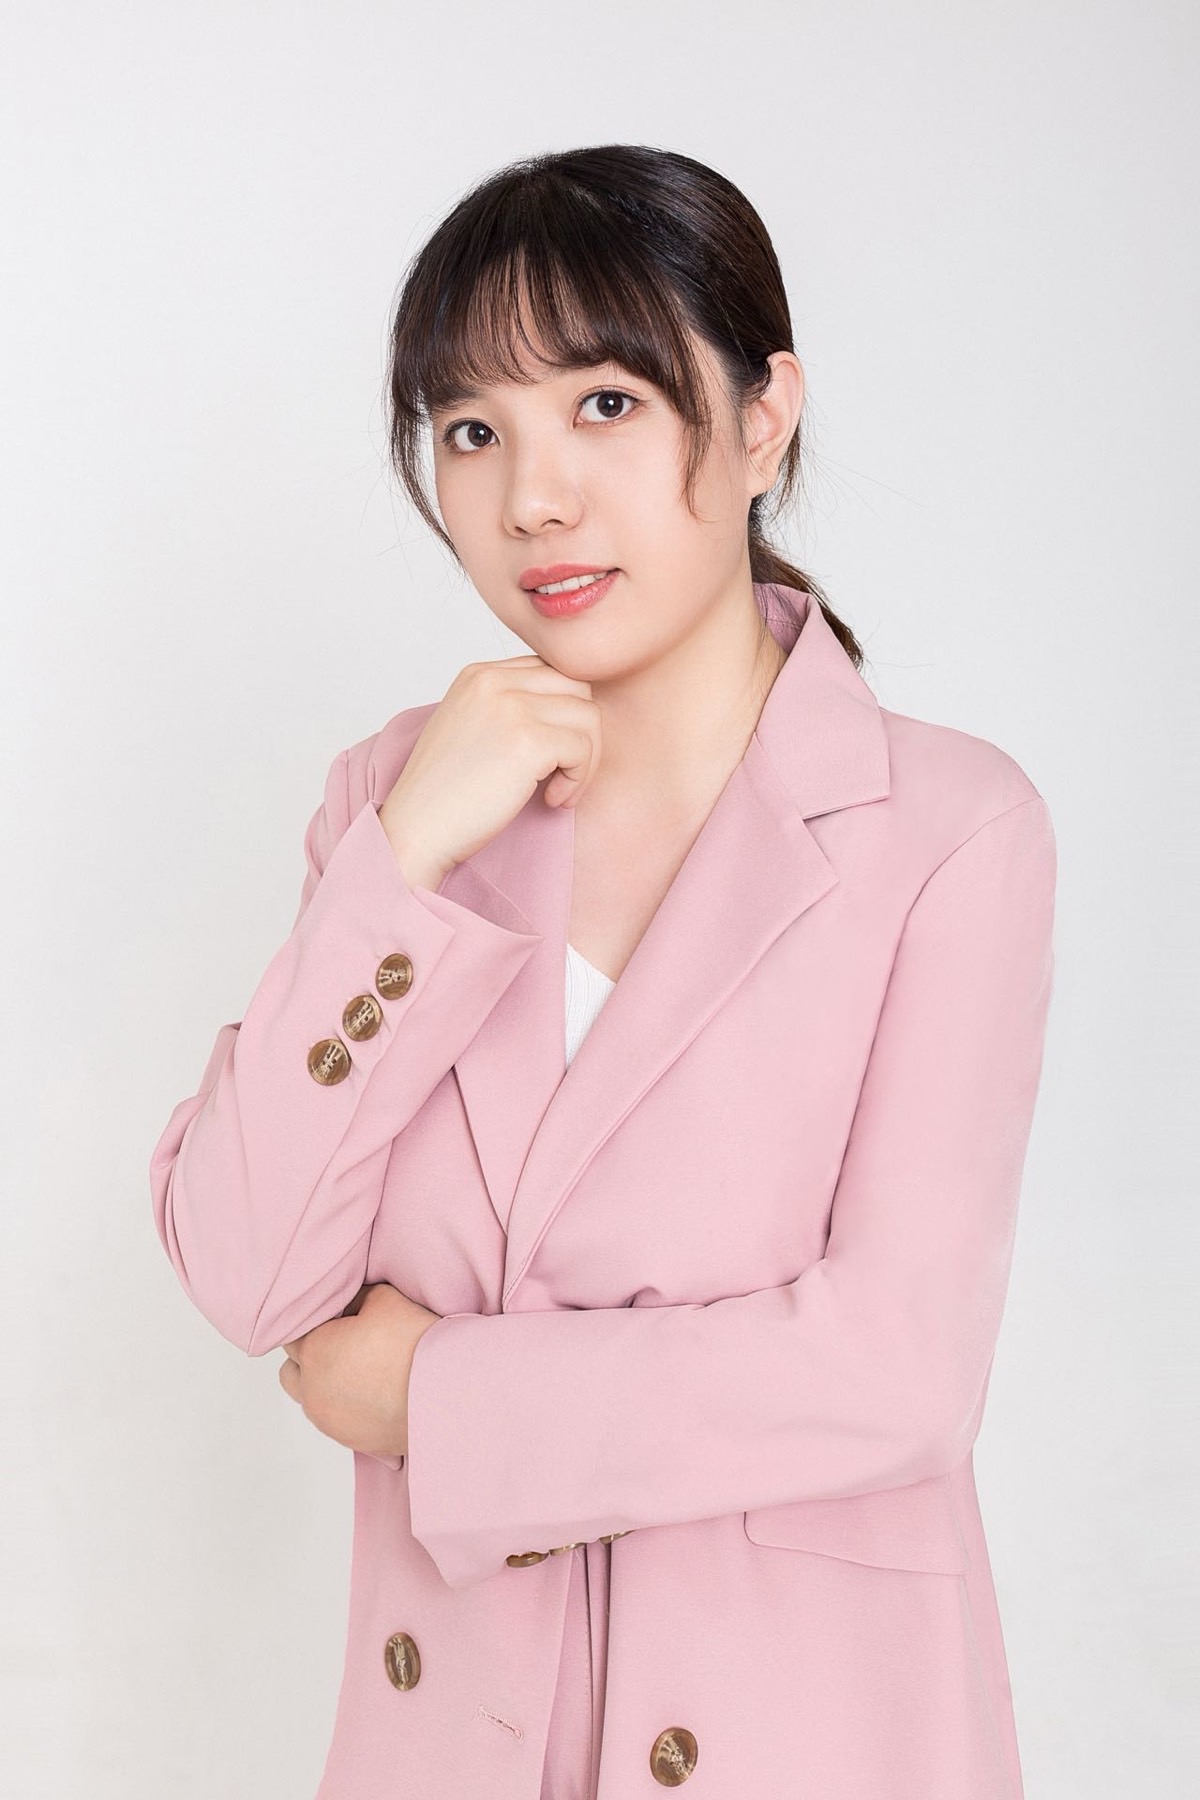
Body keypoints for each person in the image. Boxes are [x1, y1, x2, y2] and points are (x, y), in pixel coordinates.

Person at [150, 144, 1058, 1800]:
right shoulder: (394, 804)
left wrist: (439, 1395)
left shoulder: (947, 828)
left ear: (764, 416)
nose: (534, 500)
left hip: (815, 1748)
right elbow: (244, 1275)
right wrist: (404, 863)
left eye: (607, 406)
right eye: (472, 431)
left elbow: (894, 1371)